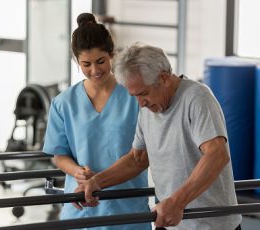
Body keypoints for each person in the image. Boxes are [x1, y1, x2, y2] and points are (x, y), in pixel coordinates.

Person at [76, 43, 242, 230]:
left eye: (144, 93)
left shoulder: (197, 98)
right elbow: (136, 159)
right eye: (135, 96)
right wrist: (96, 182)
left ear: (163, 78)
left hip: (211, 225)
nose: (141, 103)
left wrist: (177, 202)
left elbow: (217, 155)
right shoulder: (148, 108)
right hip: (170, 223)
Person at [43, 14, 151, 230]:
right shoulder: (64, 103)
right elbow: (59, 155)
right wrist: (75, 171)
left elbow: (144, 155)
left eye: (101, 61)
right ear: (76, 61)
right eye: (86, 64)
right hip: (81, 208)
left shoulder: (135, 97)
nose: (95, 70)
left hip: (127, 208)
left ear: (112, 54)